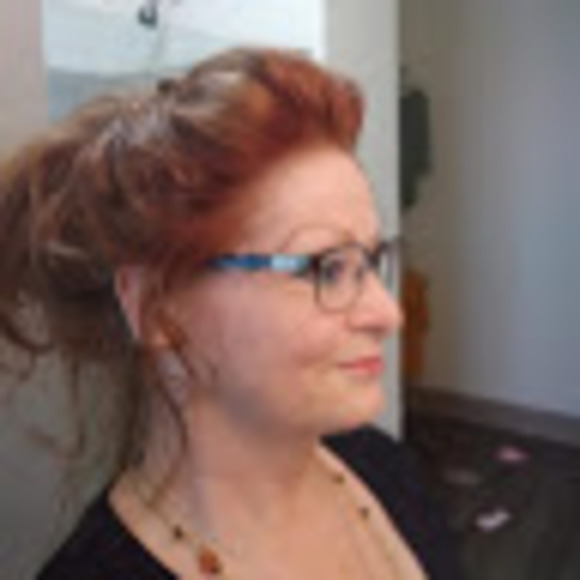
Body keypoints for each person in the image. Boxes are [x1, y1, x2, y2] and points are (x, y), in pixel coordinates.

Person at [0, 47, 462, 579]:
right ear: (155, 308)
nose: (387, 314)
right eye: (325, 269)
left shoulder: (383, 467)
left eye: (371, 261)